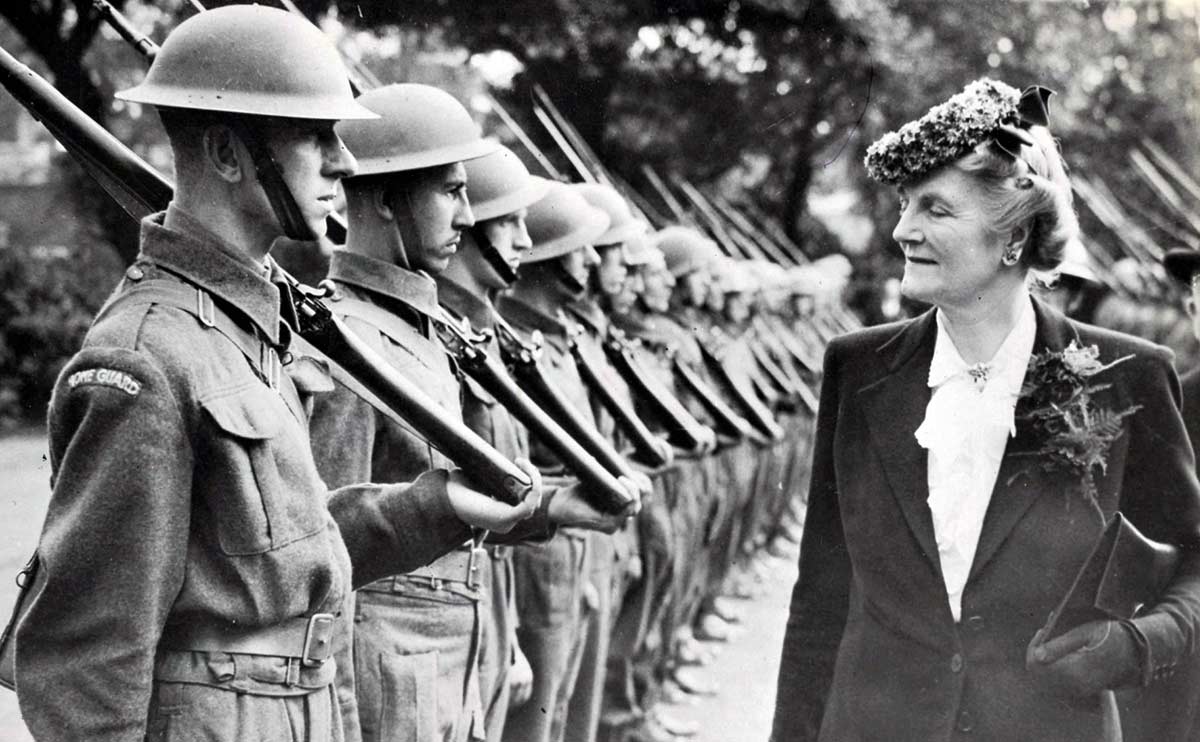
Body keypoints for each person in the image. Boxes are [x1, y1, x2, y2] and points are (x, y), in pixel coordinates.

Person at [12, 8, 538, 742]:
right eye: (315, 137)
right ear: (229, 152)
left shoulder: (252, 328)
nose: (344, 163)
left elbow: (292, 561)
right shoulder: (145, 355)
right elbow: (89, 661)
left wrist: (436, 506)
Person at [772, 78, 1200, 742]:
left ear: (1014, 238)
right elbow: (820, 601)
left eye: (935, 210)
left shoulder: (1127, 376)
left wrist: (1140, 643)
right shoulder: (856, 368)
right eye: (906, 204)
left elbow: (1194, 562)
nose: (902, 229)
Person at [308, 83, 544, 742]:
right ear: (384, 198)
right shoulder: (343, 343)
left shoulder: (418, 333)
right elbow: (330, 569)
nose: (467, 217)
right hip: (388, 686)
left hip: (447, 665)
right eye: (450, 191)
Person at [434, 145, 637, 742]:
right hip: (487, 583)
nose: (522, 242)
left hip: (515, 573)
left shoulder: (495, 341)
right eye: (510, 223)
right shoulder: (465, 341)